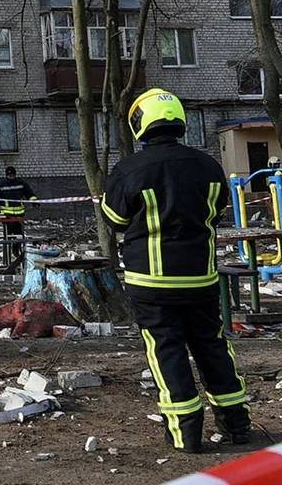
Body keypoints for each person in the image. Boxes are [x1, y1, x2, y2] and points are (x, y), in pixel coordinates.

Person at [102, 88, 251, 454]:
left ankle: (185, 432)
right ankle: (237, 423)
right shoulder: (208, 166)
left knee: (167, 350)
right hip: (201, 277)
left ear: (140, 124)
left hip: (151, 281)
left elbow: (115, 218)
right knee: (212, 345)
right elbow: (216, 212)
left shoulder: (129, 169)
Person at [0, 166, 35, 270]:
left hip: (19, 214)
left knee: (19, 235)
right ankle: (9, 256)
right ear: (6, 175)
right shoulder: (1, 185)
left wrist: (33, 201)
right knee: (9, 236)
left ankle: (17, 252)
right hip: (7, 215)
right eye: (9, 175)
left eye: (12, 175)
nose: (11, 177)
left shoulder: (21, 183)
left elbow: (30, 193)